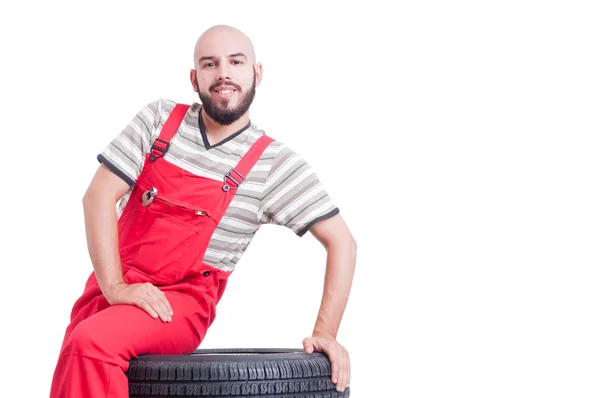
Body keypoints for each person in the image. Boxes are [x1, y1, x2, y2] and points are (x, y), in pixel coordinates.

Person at [49, 24, 357, 397]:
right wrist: (115, 287)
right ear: (195, 78)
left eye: (236, 62)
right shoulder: (159, 119)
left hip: (181, 302)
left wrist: (326, 333)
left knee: (93, 344)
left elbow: (342, 242)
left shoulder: (274, 164)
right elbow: (97, 197)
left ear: (256, 74)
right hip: (111, 286)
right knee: (79, 350)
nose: (224, 73)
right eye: (210, 64)